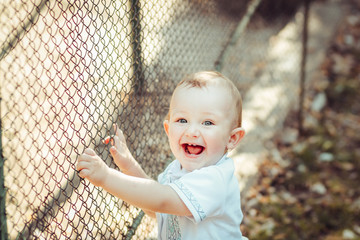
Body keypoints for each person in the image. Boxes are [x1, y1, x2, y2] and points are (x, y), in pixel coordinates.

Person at [76, 71, 248, 239]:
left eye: (207, 122)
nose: (192, 131)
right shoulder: (176, 169)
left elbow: (162, 201)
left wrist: (106, 177)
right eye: (182, 120)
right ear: (168, 129)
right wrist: (128, 165)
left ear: (232, 138)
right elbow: (155, 207)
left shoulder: (215, 180)